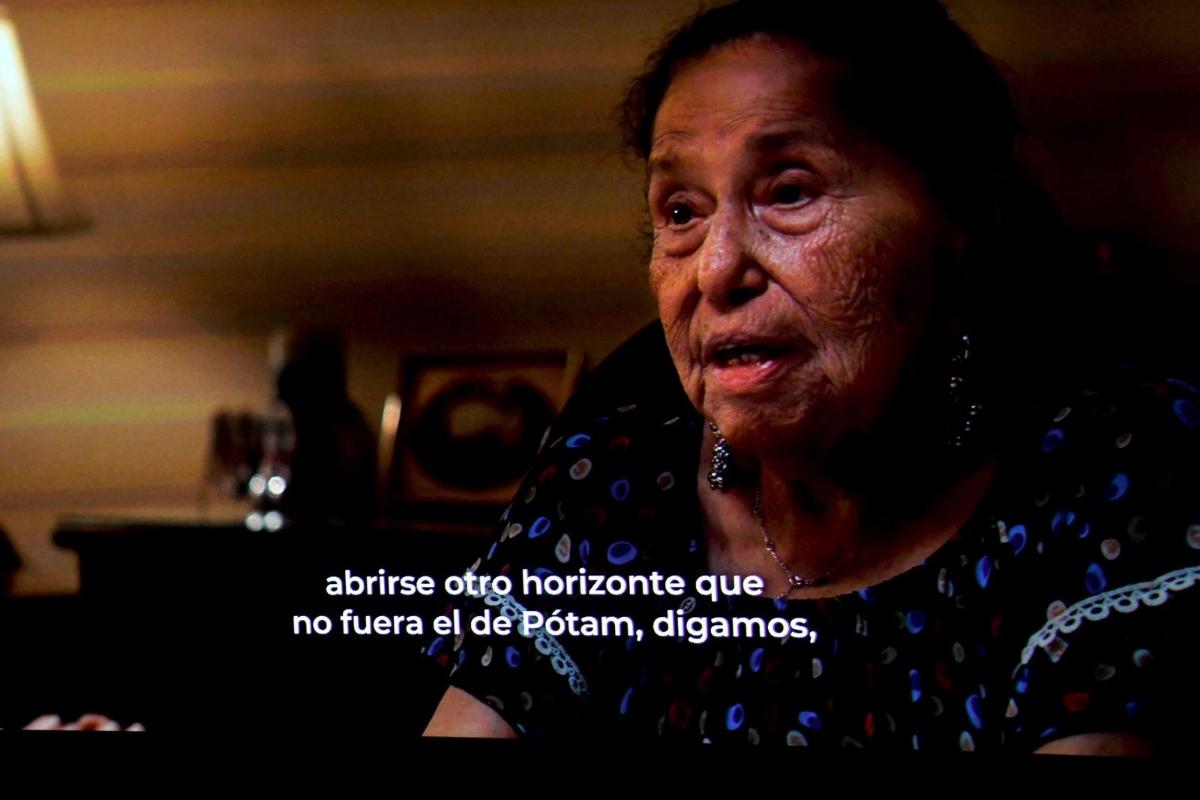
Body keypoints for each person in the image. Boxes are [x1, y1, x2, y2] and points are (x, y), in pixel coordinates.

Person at [420, 0, 1200, 753]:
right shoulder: (609, 483)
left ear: (962, 221)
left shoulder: (1115, 467)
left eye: (790, 192)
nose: (715, 271)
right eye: (681, 211)